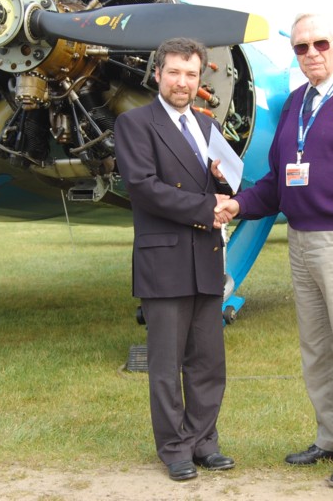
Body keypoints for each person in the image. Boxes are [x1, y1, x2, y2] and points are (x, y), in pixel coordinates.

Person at [215, 13, 333, 488]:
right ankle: (331, 438)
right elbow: (277, 182)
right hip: (299, 242)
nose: (311, 53)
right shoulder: (297, 102)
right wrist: (238, 202)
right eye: (301, 47)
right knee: (317, 349)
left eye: (320, 43)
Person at [114, 37, 235, 482]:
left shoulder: (206, 127)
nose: (182, 82)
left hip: (205, 257)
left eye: (191, 74)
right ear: (158, 74)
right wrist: (208, 208)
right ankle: (174, 449)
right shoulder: (134, 124)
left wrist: (225, 183)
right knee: (165, 365)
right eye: (174, 73)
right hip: (163, 261)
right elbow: (144, 187)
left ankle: (205, 442)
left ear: (199, 79)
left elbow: (226, 186)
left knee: (208, 361)